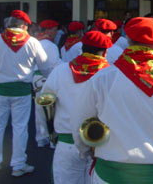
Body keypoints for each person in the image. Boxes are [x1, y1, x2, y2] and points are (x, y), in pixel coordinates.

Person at [71, 17, 153, 184]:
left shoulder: (102, 78)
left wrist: (85, 152)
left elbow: (81, 124)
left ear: (129, 42)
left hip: (110, 175)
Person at [0, 10, 58, 177]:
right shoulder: (32, 42)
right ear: (23, 26)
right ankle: (18, 164)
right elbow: (45, 67)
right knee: (20, 128)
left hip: (0, 89)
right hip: (21, 91)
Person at [42, 30, 112, 184]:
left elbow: (45, 100)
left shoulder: (60, 70)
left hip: (67, 143)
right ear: (105, 52)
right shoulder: (111, 74)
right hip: (100, 145)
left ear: (82, 47)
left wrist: (48, 132)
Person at [33, 19, 61, 147]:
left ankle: (41, 138)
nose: (56, 33)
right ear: (48, 31)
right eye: (54, 30)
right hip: (47, 78)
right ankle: (52, 140)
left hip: (35, 79)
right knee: (51, 110)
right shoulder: (51, 46)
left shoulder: (34, 42)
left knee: (38, 111)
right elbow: (54, 65)